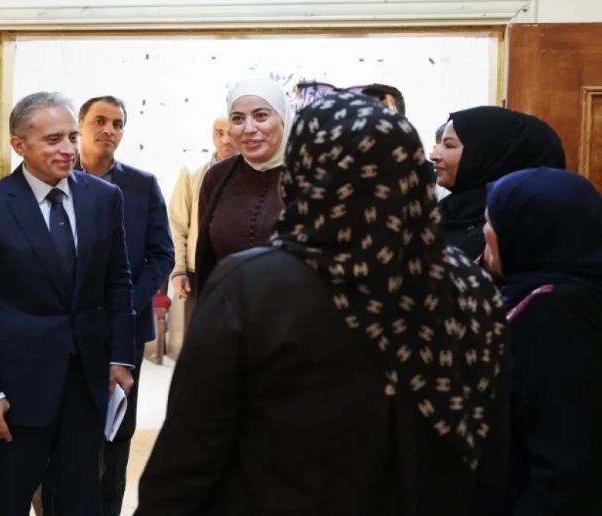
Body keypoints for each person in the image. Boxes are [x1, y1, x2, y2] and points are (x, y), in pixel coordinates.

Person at [136, 92, 510, 516]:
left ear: (302, 174)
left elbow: (189, 455)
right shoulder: (468, 284)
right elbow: (491, 452)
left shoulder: (253, 286)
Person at [0, 91, 135, 516]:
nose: (68, 149)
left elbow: (118, 283)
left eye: (71, 137)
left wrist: (120, 358)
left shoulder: (105, 198)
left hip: (86, 383)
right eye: (53, 140)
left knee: (80, 501)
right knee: (8, 500)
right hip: (16, 389)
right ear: (20, 145)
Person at [74, 95, 174, 516]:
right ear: (80, 126)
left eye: (117, 124)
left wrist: (127, 303)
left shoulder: (141, 185)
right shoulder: (56, 177)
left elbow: (162, 254)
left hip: (125, 329)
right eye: (100, 121)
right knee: (66, 428)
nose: (109, 130)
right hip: (67, 327)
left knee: (116, 433)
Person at [484, 167, 602, 515]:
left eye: (491, 222)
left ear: (528, 232)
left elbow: (567, 462)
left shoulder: (554, 311)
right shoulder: (562, 291)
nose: (485, 232)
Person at [194, 77, 294, 297]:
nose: (249, 128)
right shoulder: (217, 177)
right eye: (237, 119)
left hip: (295, 313)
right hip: (227, 311)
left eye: (261, 116)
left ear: (283, 118)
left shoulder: (311, 177)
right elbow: (206, 258)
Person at [430, 106, 565, 259]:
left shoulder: (510, 233)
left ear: (489, 156)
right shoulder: (448, 212)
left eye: (449, 145)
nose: (434, 155)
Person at [168, 116, 236, 329]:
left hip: (239, 271)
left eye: (231, 133)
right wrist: (178, 269)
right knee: (197, 336)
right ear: (212, 135)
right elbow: (177, 225)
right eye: (219, 133)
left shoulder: (254, 175)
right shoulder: (192, 174)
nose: (225, 140)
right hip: (198, 270)